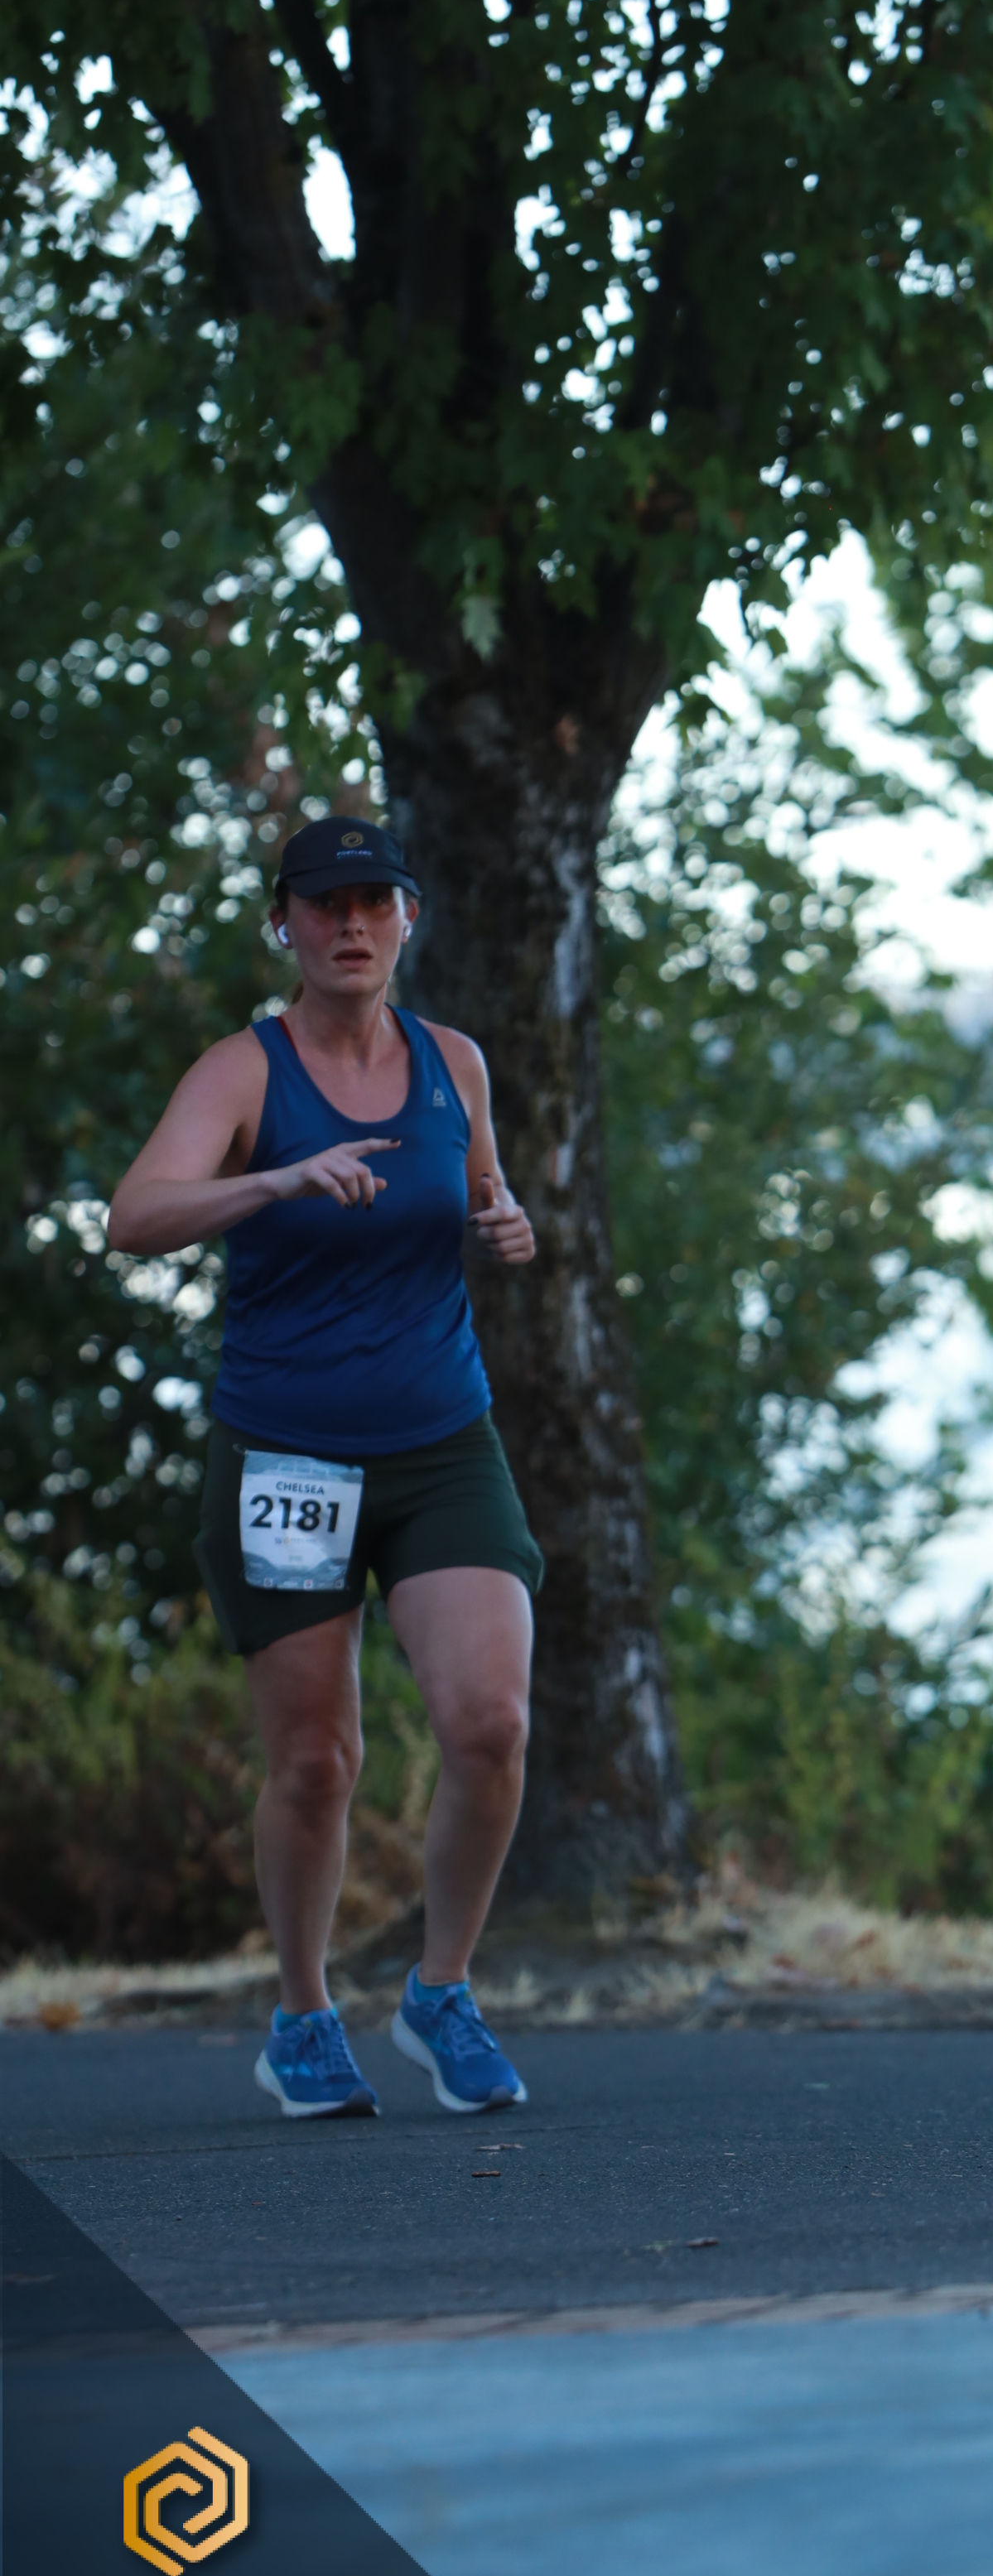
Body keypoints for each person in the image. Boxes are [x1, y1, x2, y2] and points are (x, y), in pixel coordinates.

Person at [110, 816, 545, 2120]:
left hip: (440, 1443)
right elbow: (136, 1217)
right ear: (284, 925)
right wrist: (277, 1182)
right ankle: (302, 2018)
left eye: (373, 901)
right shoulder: (244, 1072)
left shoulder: (453, 1063)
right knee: (315, 1761)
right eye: (323, 905)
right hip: (286, 1454)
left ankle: (440, 1993)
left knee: (492, 1723)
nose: (349, 925)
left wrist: (506, 1226)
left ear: (409, 917)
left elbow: (480, 1195)